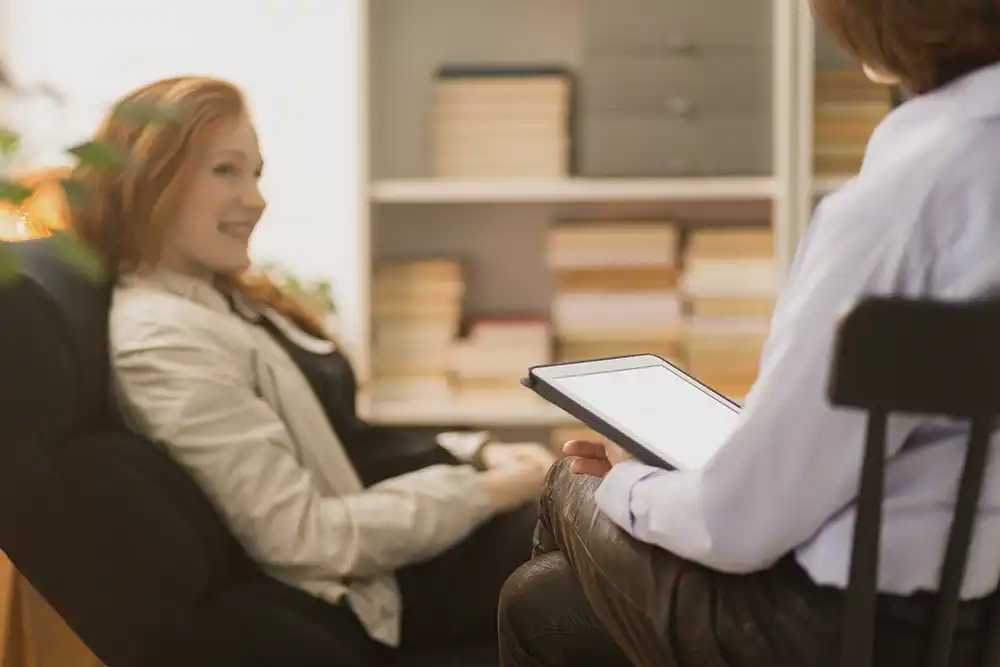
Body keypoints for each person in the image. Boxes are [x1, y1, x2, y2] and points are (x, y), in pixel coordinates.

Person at [497, 1, 1000, 666]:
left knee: (572, 478)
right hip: (971, 613)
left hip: (834, 629)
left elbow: (739, 524)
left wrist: (628, 481)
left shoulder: (902, 200)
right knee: (540, 602)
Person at [63, 75, 556, 664]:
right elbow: (307, 537)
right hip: (369, 595)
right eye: (226, 170)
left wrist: (473, 453)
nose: (257, 198)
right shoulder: (164, 341)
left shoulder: (218, 299)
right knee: (601, 564)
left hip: (391, 566)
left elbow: (348, 441)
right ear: (149, 178)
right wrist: (485, 490)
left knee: (605, 538)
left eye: (257, 173)